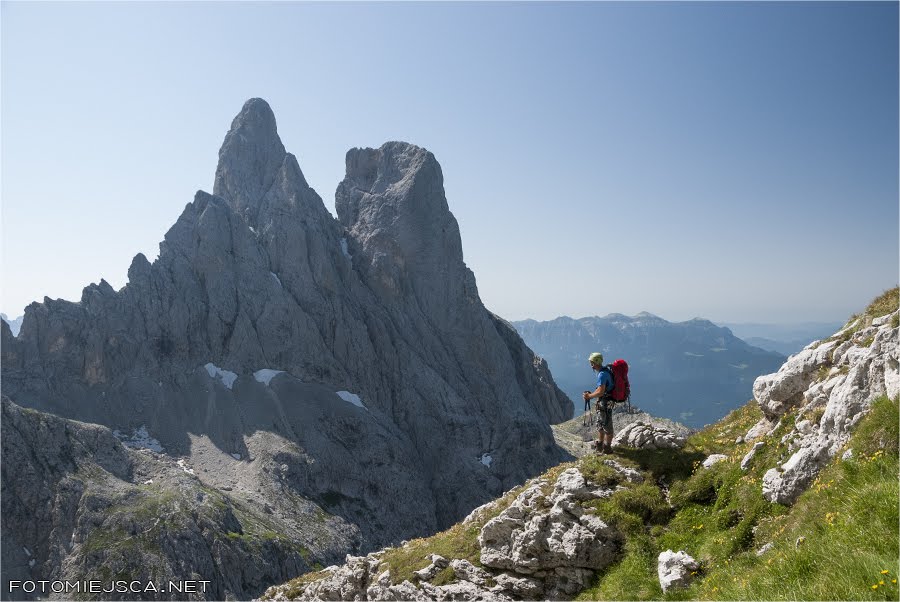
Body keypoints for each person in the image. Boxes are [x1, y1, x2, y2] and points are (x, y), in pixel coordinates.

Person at [583, 352, 614, 454]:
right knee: (601, 423)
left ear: (595, 363)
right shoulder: (605, 371)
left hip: (605, 403)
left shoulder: (602, 374)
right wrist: (592, 394)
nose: (591, 365)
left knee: (607, 425)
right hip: (605, 401)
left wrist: (589, 396)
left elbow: (601, 391)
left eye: (592, 363)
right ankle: (600, 444)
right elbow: (601, 390)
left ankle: (607, 448)